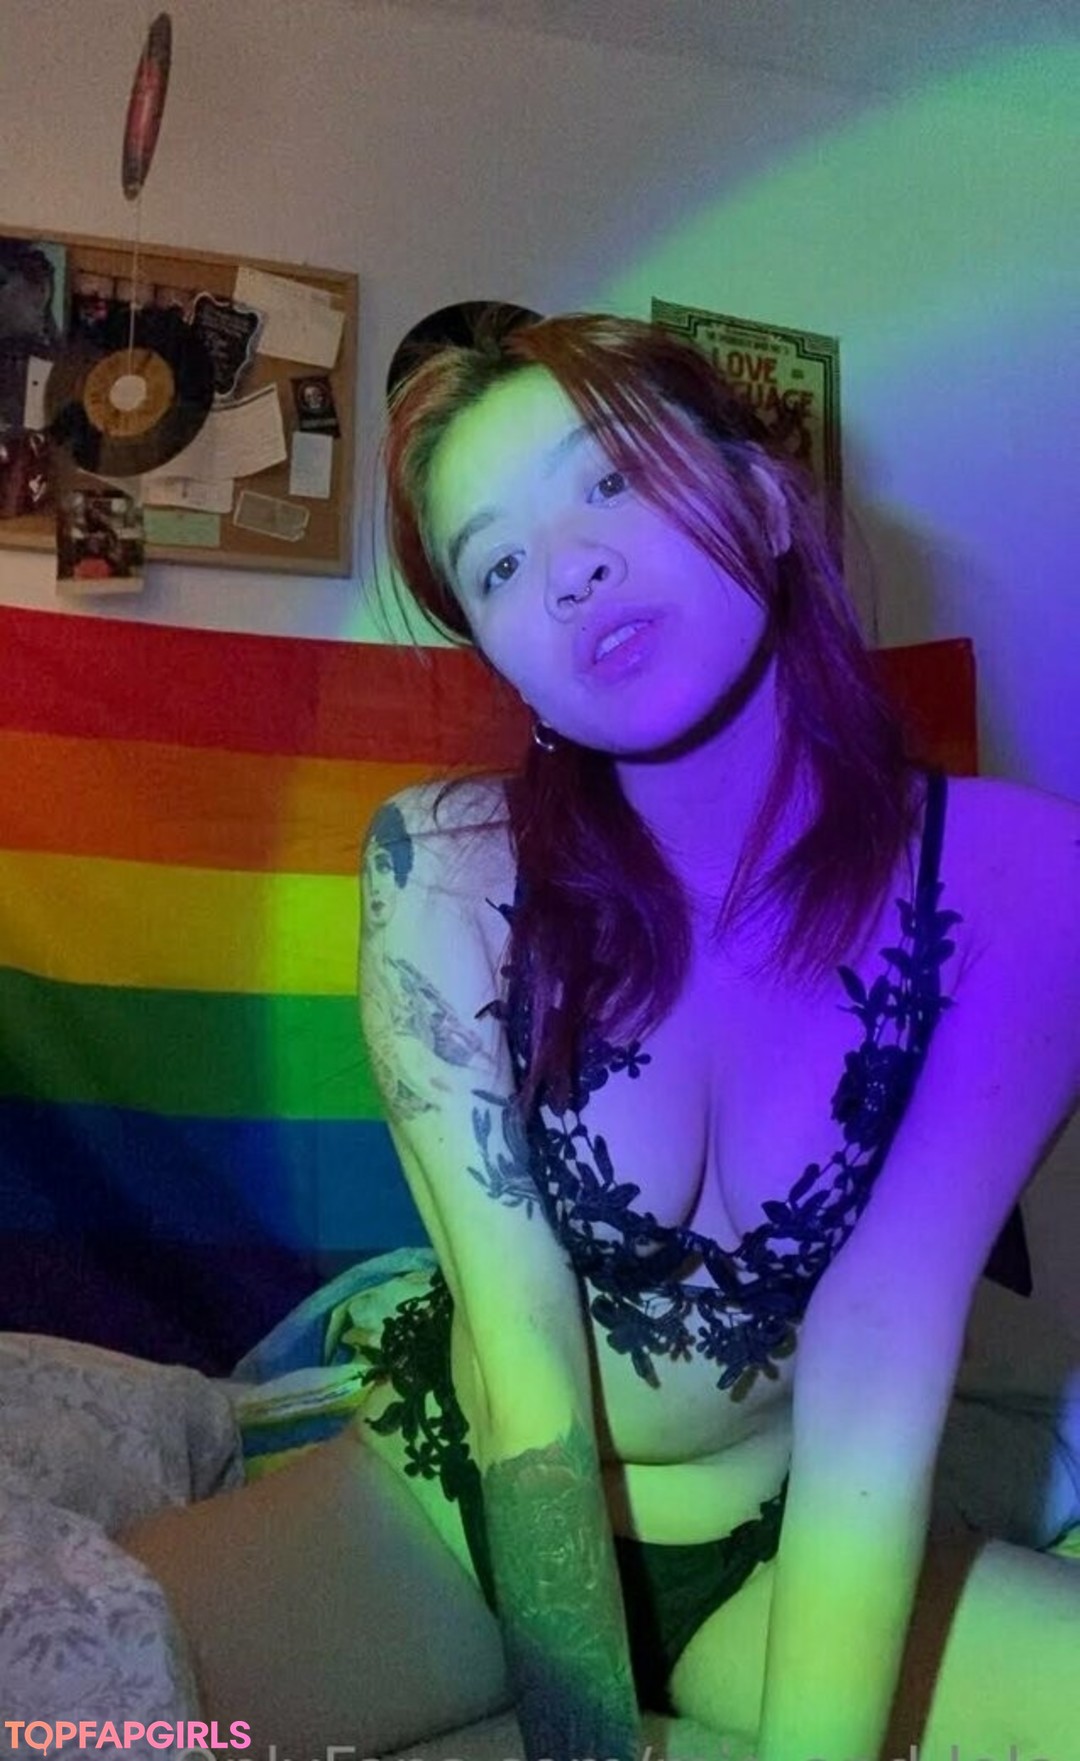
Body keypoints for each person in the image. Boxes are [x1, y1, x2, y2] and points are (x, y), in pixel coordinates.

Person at [121, 309, 1080, 1761]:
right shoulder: (445, 874)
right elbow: (524, 1365)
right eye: (497, 565)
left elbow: (881, 1357)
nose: (565, 567)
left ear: (768, 501)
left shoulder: (1022, 882)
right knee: (63, 1700)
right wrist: (577, 1742)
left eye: (612, 480)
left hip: (784, 1541)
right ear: (502, 658)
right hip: (462, 1510)